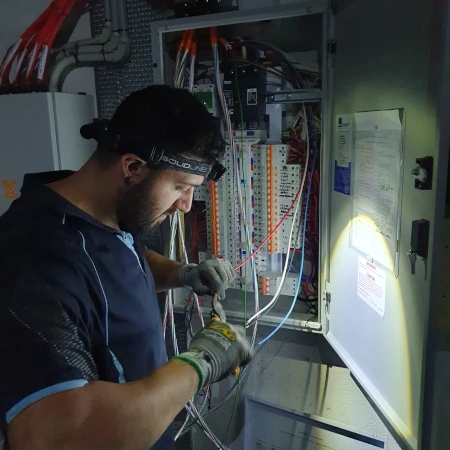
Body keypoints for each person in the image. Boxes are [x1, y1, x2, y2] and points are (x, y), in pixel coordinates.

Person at [0, 85, 252, 450]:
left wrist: (182, 273)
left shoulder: (101, 217)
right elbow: (58, 438)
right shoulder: (32, 263)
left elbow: (114, 269)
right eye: (181, 187)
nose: (185, 206)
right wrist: (200, 364)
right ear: (133, 168)